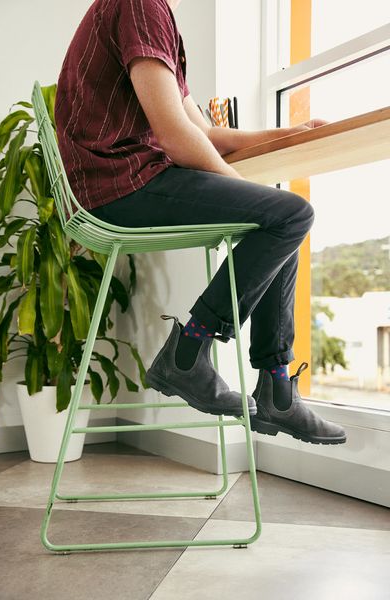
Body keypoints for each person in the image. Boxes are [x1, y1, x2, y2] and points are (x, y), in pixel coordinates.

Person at [54, 0, 347, 445]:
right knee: (287, 215)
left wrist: (288, 133)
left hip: (119, 182)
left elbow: (204, 132)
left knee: (280, 220)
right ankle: (188, 352)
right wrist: (247, 190)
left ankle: (275, 389)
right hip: (118, 186)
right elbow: (175, 136)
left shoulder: (153, 16)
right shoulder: (140, 6)